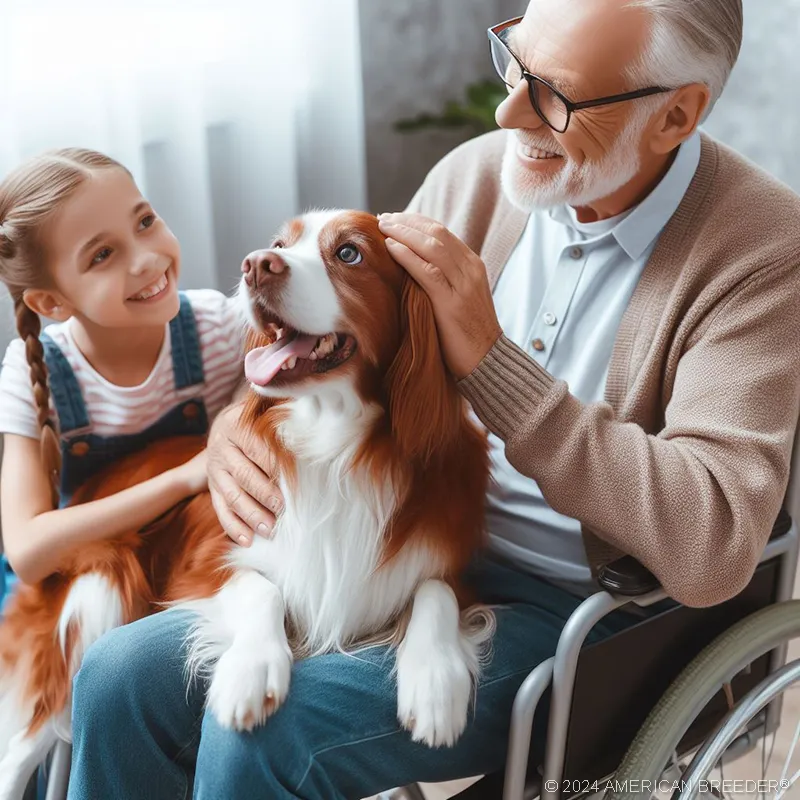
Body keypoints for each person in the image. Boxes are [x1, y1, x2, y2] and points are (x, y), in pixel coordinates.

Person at [68, 0, 800, 797]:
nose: (507, 111)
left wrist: (493, 366)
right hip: (417, 547)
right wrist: (234, 431)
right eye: (515, 62)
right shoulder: (483, 173)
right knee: (114, 674)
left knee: (270, 737)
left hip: (593, 611)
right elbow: (345, 344)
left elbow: (714, 543)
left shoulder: (761, 252)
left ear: (676, 115)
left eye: (555, 96)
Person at [0, 148, 242, 607]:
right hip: (94, 583)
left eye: (145, 222)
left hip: (194, 565)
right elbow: (28, 552)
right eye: (103, 254)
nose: (147, 260)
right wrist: (183, 478)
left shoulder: (216, 326)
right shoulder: (34, 375)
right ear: (51, 304)